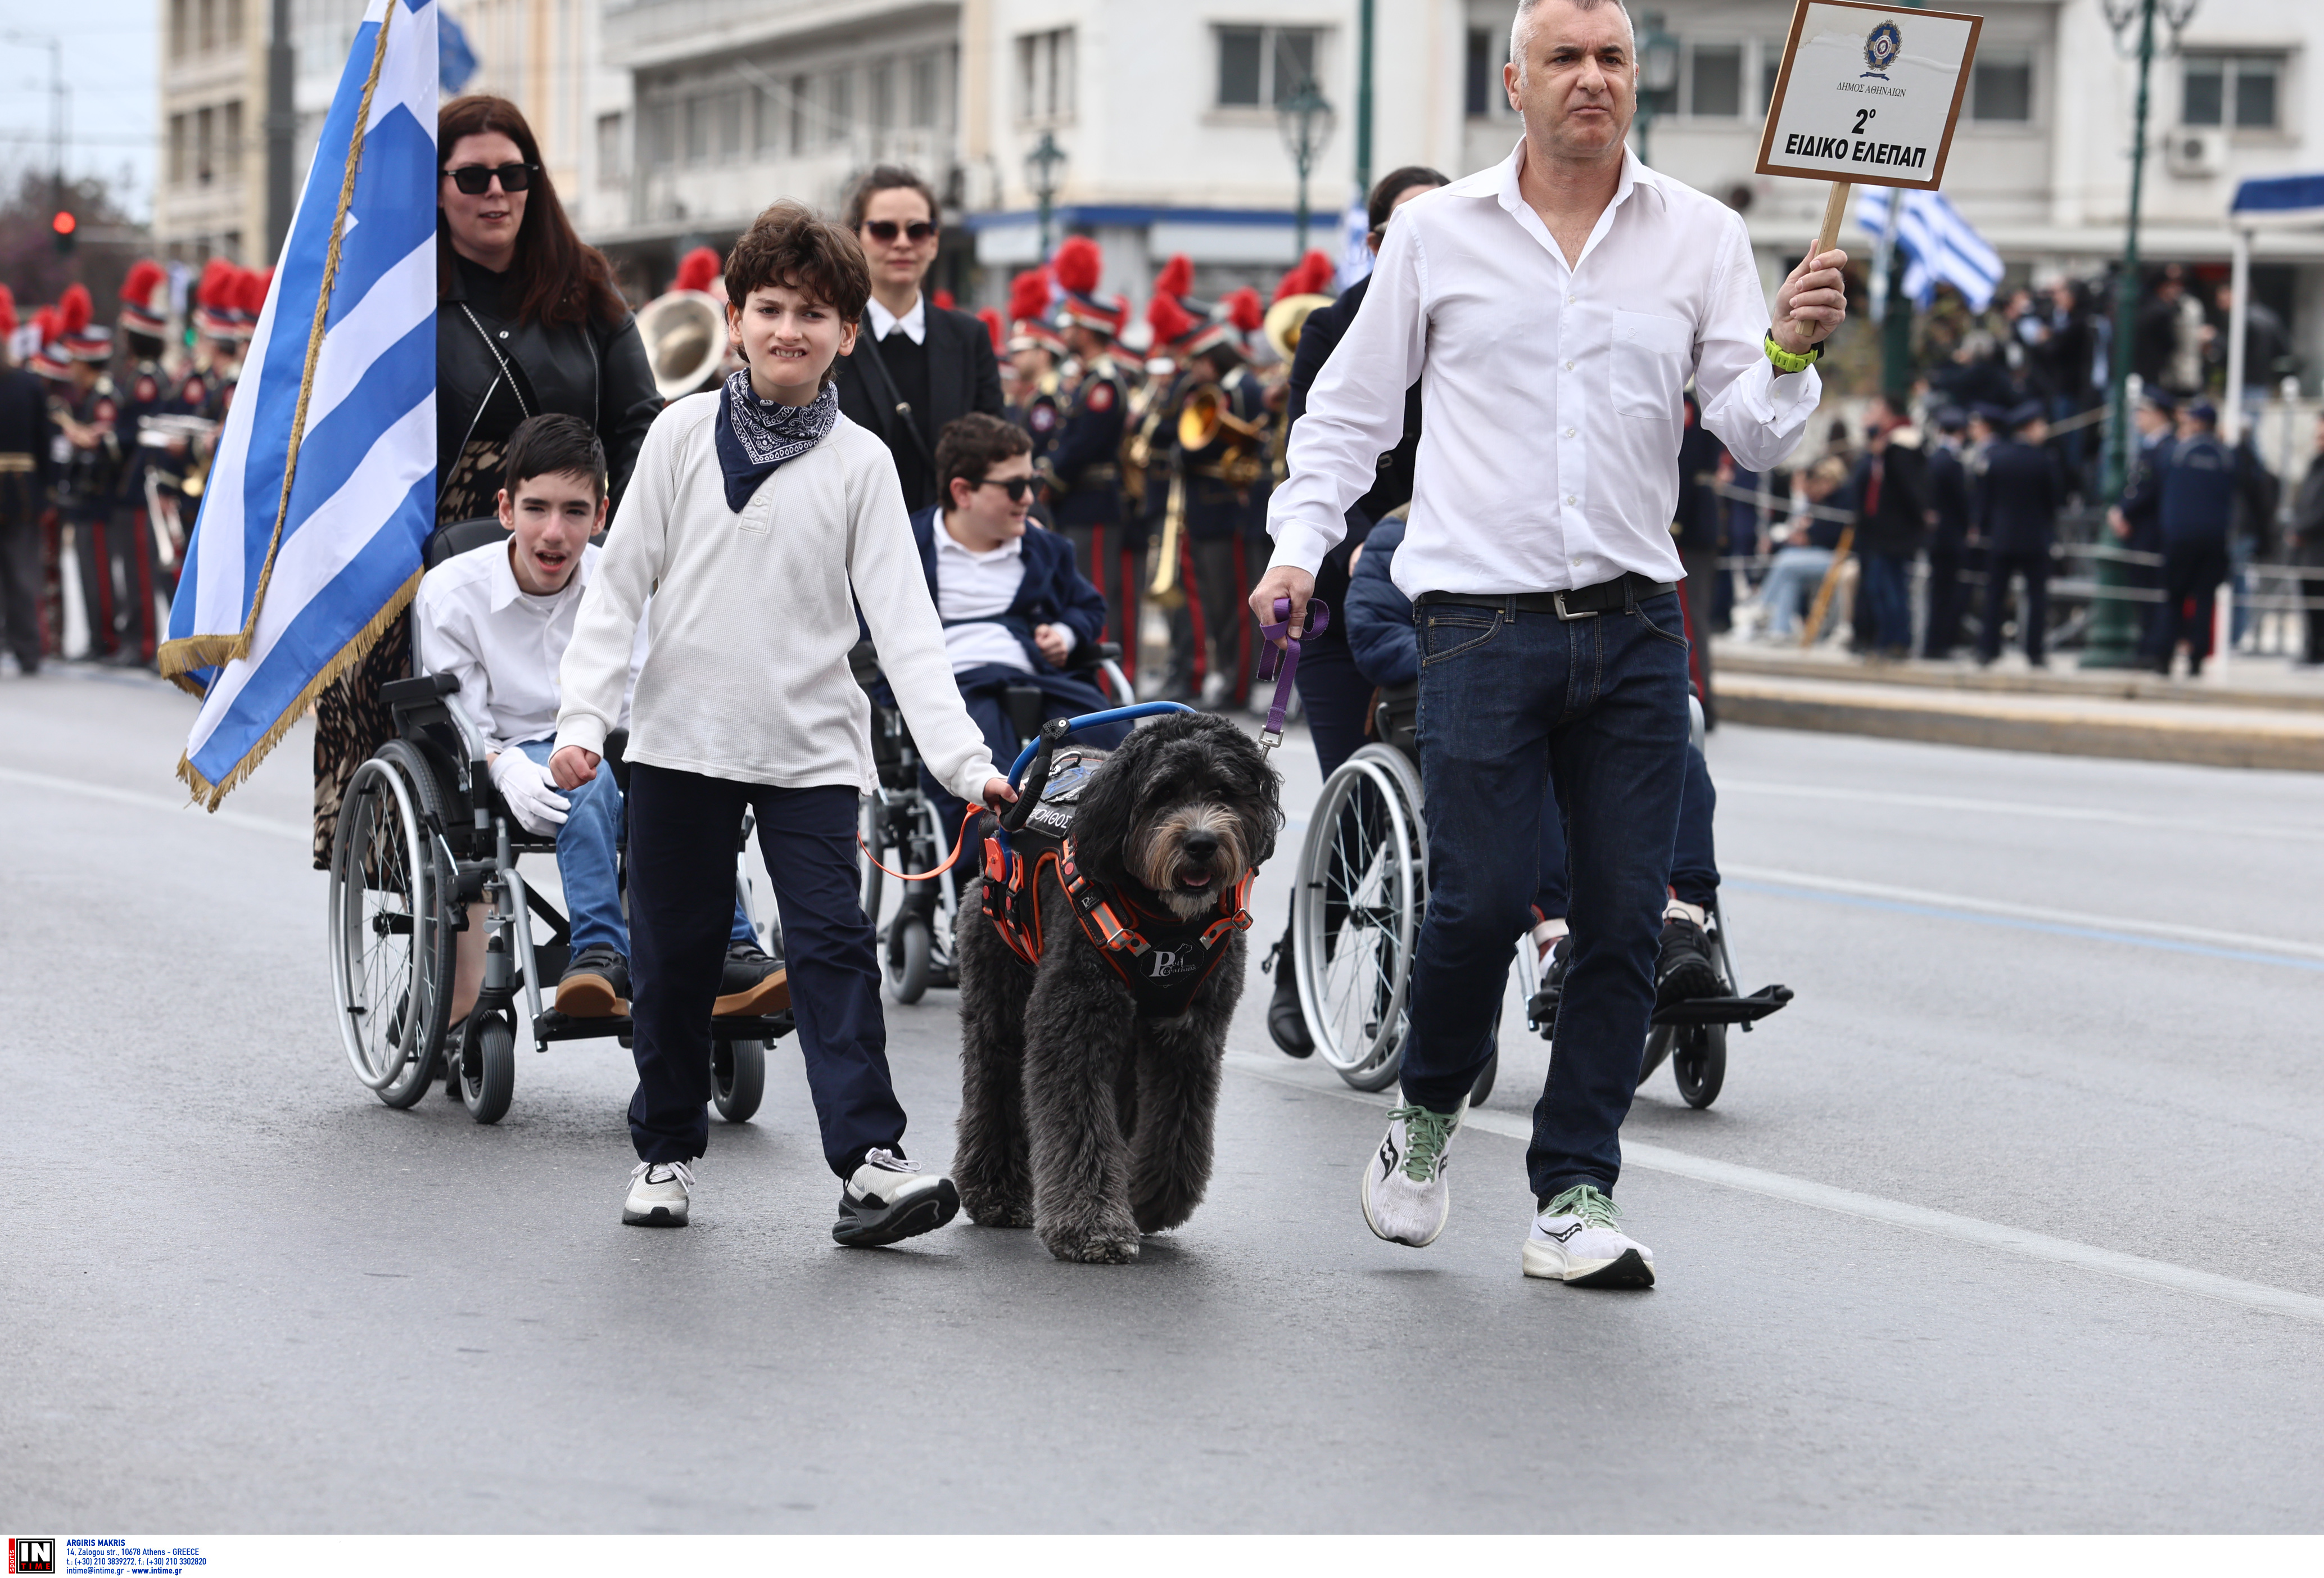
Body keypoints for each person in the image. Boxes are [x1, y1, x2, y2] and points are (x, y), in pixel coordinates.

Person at [1251, 0, 1844, 1287]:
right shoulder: (1435, 234)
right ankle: (1420, 1124)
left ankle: (1572, 1190)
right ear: (1511, 80)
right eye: (1563, 59)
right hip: (1477, 625)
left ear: (1638, 77)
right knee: (1472, 906)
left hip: (1633, 623)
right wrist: (1298, 547)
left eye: (1611, 58)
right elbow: (1348, 417)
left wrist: (1792, 346)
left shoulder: (1702, 234)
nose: (1590, 79)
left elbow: (1750, 431)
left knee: (1625, 919)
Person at [549, 201, 1015, 1240]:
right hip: (679, 745)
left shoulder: (859, 464)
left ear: (847, 332)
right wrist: (584, 718)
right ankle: (665, 1151)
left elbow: (905, 631)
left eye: (812, 314)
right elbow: (616, 594)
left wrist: (962, 762)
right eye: (769, 309)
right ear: (734, 319)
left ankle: (869, 1163)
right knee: (670, 958)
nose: (788, 331)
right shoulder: (675, 437)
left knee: (830, 948)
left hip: (810, 753)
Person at [308, 93, 663, 870]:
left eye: (513, 173)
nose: (495, 192)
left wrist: (620, 535)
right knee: (442, 765)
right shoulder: (397, 297)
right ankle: (463, 969)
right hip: (428, 559)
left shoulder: (588, 288)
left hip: (576, 535)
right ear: (436, 187)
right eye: (472, 178)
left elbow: (641, 422)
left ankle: (657, 939)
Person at [414, 414, 785, 1027]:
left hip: (617, 738)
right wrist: (506, 771)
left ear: (602, 513)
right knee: (583, 777)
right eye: (536, 508)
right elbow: (461, 724)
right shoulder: (451, 592)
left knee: (686, 781)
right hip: (509, 750)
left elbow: (645, 698)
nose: (554, 533)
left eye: (574, 512)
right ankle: (598, 952)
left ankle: (731, 945)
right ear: (506, 508)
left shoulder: (627, 577)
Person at [1346, 512, 1725, 1003]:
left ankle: (1681, 925)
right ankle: (1557, 942)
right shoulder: (1396, 532)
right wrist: (1469, 650)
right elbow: (1373, 637)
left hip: (1576, 686)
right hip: (1463, 696)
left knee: (1678, 748)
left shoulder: (1551, 517)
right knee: (1537, 759)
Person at [899, 412, 1131, 863]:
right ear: (963, 491)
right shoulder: (910, 543)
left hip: (1035, 672)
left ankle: (1105, 858)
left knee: (1116, 750)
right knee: (993, 775)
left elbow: (1088, 608)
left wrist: (1064, 633)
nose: (1030, 498)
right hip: (952, 679)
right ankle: (992, 876)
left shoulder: (1042, 545)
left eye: (1033, 481)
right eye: (1013, 487)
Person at [832, 165, 1006, 516]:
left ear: (935, 241)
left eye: (918, 230)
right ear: (856, 238)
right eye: (884, 230)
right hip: (848, 545)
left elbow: (996, 450)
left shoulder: (969, 337)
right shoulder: (830, 334)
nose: (902, 243)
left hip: (945, 547)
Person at [1033, 238, 1137, 670]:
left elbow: (1081, 447)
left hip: (1092, 502)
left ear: (1089, 328)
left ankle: (1105, 687)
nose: (1064, 331)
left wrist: (1047, 481)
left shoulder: (1104, 385)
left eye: (1071, 324)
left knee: (1094, 591)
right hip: (1078, 503)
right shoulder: (1087, 381)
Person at [2142, 399, 2235, 678]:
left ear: (2197, 423)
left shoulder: (2177, 452)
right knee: (2205, 599)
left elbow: (2156, 475)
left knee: (2173, 598)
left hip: (2179, 536)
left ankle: (2163, 656)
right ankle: (2197, 658)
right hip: (2214, 537)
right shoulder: (2226, 456)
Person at [1975, 402, 2063, 667]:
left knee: (1995, 596)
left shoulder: (1997, 457)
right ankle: (2034, 651)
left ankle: (1989, 649)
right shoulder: (2043, 460)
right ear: (2030, 427)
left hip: (2002, 538)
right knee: (2037, 598)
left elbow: (1984, 499)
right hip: (2035, 538)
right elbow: (2053, 501)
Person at [1848, 395, 1928, 661]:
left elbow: (1910, 490)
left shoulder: (1902, 445)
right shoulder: (1884, 446)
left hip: (1894, 532)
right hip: (1879, 530)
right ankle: (1883, 639)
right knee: (1878, 586)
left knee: (1891, 588)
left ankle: (1897, 640)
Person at [0, 284, 54, 675]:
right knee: (22, 571)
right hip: (21, 488)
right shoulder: (29, 383)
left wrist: (46, 491)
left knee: (22, 572)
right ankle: (27, 648)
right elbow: (46, 445)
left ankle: (28, 647)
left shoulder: (29, 384)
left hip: (21, 489)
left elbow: (44, 442)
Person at [1755, 456, 1850, 641]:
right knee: (1790, 574)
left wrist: (1808, 537)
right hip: (1820, 554)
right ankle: (1780, 629)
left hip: (1837, 556)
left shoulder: (1843, 501)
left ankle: (1762, 607)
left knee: (1785, 562)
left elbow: (1831, 536)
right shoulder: (1823, 501)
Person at [1920, 409, 1973, 659]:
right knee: (1946, 593)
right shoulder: (1952, 462)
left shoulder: (1933, 459)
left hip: (1937, 537)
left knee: (1937, 593)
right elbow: (1961, 501)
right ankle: (1939, 644)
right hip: (1950, 538)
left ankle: (1934, 642)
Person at [2289, 412, 2324, 666]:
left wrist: (2301, 529)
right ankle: (2313, 647)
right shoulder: (2315, 464)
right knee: (2310, 604)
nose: (2318, 441)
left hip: (2318, 548)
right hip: (2308, 550)